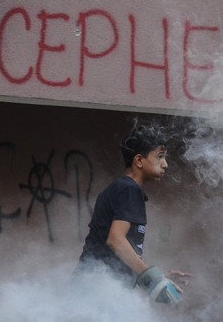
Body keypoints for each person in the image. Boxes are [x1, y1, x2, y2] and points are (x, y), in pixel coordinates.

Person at [76, 125, 185, 304]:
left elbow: (119, 255)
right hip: (97, 292)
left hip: (98, 289)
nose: (165, 164)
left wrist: (158, 277)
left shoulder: (124, 188)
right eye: (160, 156)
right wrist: (153, 279)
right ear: (139, 161)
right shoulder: (129, 189)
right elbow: (116, 241)